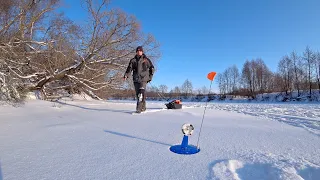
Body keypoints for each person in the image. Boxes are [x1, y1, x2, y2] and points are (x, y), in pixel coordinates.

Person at [123, 46, 155, 113]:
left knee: (141, 93)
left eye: (140, 51)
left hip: (143, 79)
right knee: (138, 95)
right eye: (137, 51)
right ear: (136, 52)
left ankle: (139, 109)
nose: (139, 52)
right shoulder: (133, 60)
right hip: (136, 79)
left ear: (142, 52)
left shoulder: (146, 60)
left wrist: (150, 77)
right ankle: (143, 107)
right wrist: (126, 75)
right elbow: (129, 69)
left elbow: (152, 68)